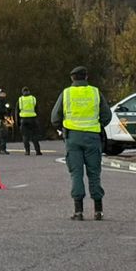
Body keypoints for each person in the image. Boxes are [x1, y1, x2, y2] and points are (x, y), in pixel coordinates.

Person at [51, 65, 111, 221]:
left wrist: (63, 129)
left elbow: (55, 118)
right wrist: (97, 125)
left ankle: (78, 211)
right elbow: (107, 115)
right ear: (86, 77)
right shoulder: (95, 92)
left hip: (73, 138)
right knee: (94, 174)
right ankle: (98, 210)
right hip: (93, 137)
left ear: (72, 78)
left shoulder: (66, 93)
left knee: (76, 174)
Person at [16, 86, 43, 156]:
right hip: (33, 119)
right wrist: (37, 119)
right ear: (29, 91)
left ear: (22, 92)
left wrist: (17, 122)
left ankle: (27, 151)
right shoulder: (33, 99)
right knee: (34, 136)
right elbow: (37, 110)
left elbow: (17, 112)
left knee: (25, 136)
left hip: (23, 119)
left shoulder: (20, 100)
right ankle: (38, 151)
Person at [0, 88, 13, 155]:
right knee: (2, 134)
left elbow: (9, 108)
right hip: (0, 119)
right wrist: (5, 110)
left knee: (5, 134)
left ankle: (3, 148)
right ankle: (1, 149)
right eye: (1, 93)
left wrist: (8, 110)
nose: (2, 94)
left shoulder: (5, 101)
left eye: (3, 93)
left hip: (5, 119)